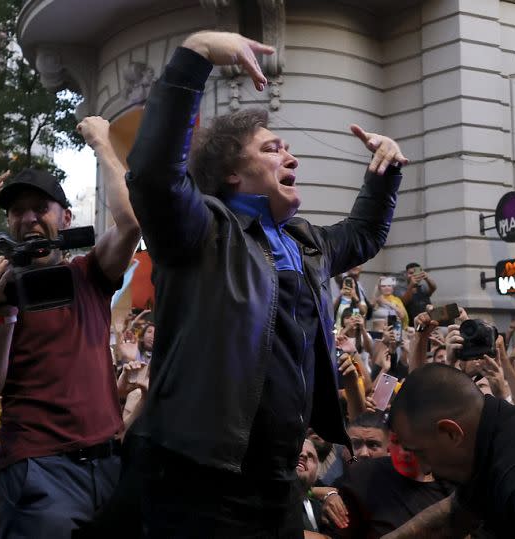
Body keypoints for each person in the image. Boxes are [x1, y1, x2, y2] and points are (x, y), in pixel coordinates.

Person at [125, 30, 407, 536]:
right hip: (200, 479)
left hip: (278, 479)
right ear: (233, 174)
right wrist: (195, 55)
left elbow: (363, 235)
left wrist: (384, 172)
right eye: (273, 149)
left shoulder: (306, 242)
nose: (291, 158)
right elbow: (151, 176)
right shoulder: (202, 230)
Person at [0, 116, 141, 537]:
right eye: (18, 211)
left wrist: (101, 142)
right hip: (39, 471)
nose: (29, 219)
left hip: (110, 465)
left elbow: (130, 221)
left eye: (41, 208)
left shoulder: (87, 274)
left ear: (67, 216)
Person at [385, 364, 515, 538]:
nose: (425, 469)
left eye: (421, 453)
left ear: (451, 433)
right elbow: (455, 515)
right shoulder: (492, 435)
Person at [330, 433, 454, 538]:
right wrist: (324, 494)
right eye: (398, 441)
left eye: (373, 445)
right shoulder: (359, 480)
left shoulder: (456, 484)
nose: (364, 453)